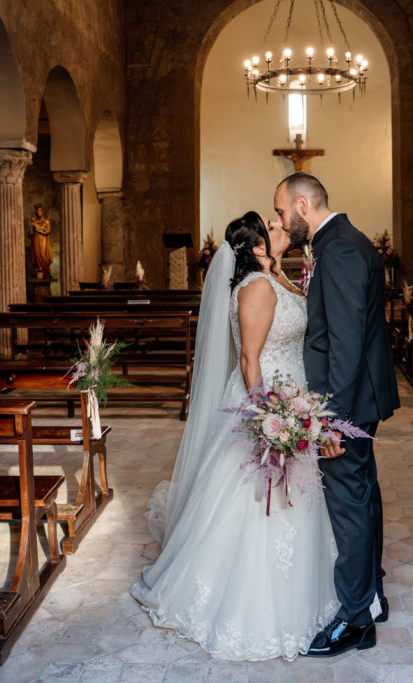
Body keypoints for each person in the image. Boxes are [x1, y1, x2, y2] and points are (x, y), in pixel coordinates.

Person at [131, 211, 339, 660]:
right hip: (271, 407)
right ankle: (251, 609)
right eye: (274, 226)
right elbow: (249, 358)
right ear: (259, 247)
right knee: (258, 503)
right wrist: (270, 422)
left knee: (296, 501)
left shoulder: (277, 278)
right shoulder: (257, 286)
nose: (283, 226)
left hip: (293, 400)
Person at [273, 172, 401, 657]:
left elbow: (345, 342)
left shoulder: (340, 249)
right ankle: (372, 595)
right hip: (360, 398)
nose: (281, 220)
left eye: (282, 211)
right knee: (363, 495)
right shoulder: (348, 240)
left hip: (348, 403)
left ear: (303, 205)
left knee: (349, 505)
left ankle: (355, 619)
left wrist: (332, 421)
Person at [29, 204, 53, 279]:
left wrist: (39, 230)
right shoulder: (35, 221)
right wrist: (32, 231)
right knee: (37, 254)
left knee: (43, 254)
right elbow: (31, 232)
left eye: (39, 211)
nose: (38, 213)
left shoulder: (46, 221)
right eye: (37, 211)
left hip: (43, 240)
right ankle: (38, 268)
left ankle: (45, 269)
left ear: (42, 211)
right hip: (36, 239)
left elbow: (48, 230)